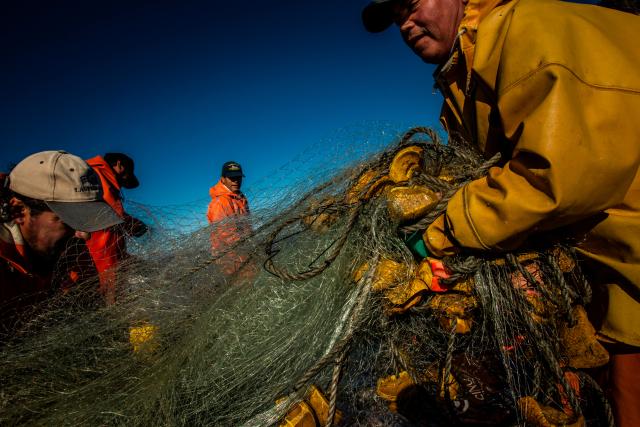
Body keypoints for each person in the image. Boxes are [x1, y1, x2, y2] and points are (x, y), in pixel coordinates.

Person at [362, 0, 640, 425]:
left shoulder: (528, 30)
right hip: (603, 264)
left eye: (411, 4)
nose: (405, 24)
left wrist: (436, 236)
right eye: (396, 17)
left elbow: (556, 174)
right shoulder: (460, 83)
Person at [0, 150, 122, 338]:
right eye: (67, 220)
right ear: (18, 211)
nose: (84, 235)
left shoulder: (61, 250)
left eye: (86, 221)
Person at [85, 153, 147, 303]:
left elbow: (108, 212)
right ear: (119, 165)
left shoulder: (105, 182)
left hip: (109, 262)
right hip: (99, 267)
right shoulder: (93, 175)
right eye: (127, 175)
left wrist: (133, 223)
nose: (124, 183)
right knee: (106, 306)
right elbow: (98, 218)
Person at [206, 161, 251, 274]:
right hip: (231, 258)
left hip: (246, 250)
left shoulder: (240, 197)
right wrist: (250, 249)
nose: (236, 180)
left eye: (238, 177)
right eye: (232, 177)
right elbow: (227, 236)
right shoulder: (220, 202)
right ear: (223, 179)